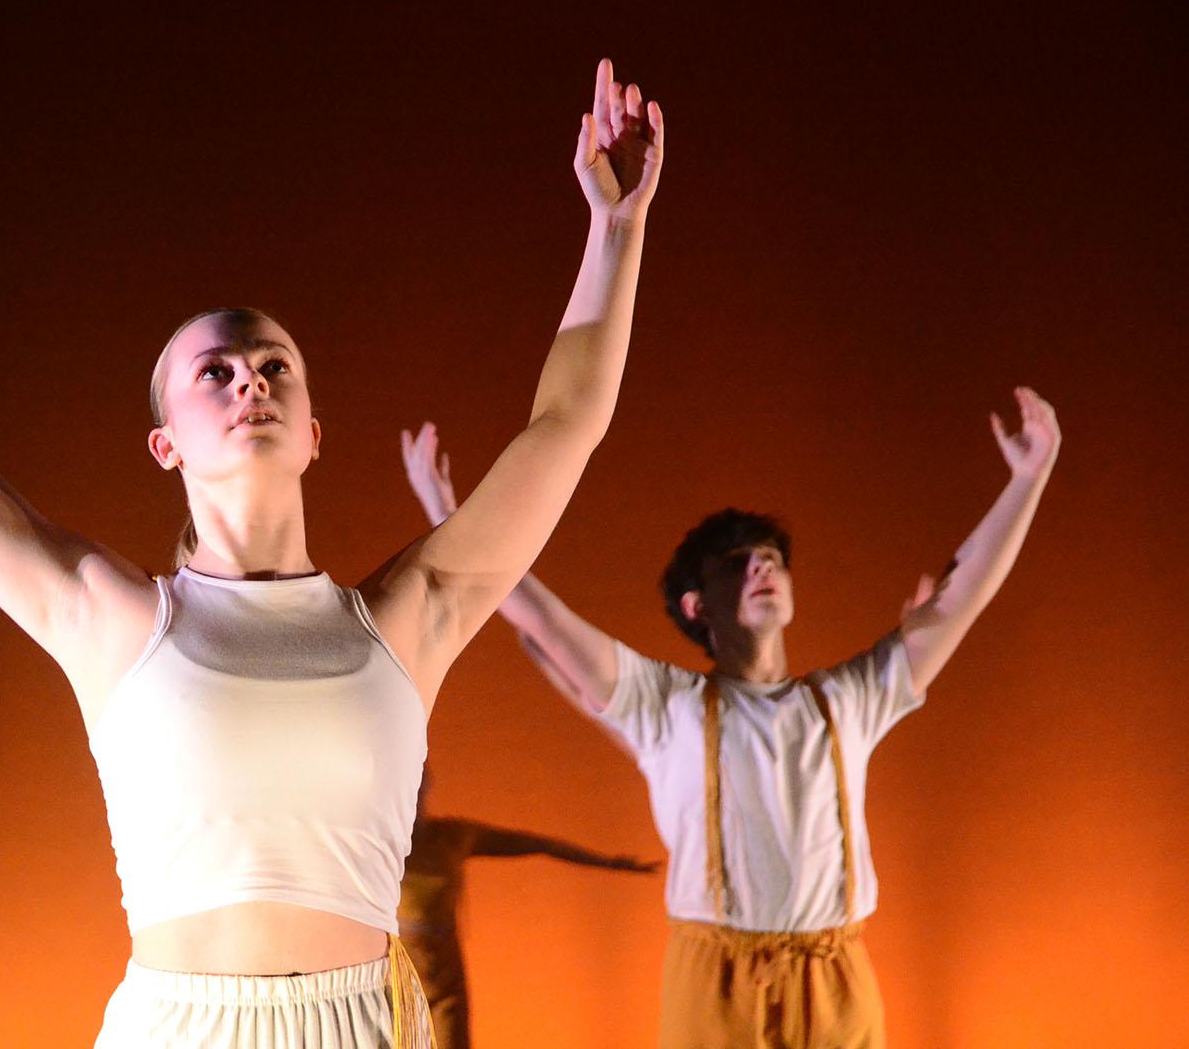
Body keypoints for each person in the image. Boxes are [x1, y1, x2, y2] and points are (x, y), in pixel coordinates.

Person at [0, 57, 665, 1048]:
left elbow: (565, 425)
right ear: (165, 442)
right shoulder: (114, 620)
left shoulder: (406, 617)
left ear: (315, 430)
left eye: (276, 367)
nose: (249, 382)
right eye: (214, 371)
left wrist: (616, 231)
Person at [399, 390, 1060, 1049]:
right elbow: (540, 614)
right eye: (737, 562)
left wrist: (1028, 478)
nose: (762, 565)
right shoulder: (668, 706)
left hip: (836, 980)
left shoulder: (851, 699)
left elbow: (960, 599)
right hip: (717, 985)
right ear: (697, 605)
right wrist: (448, 517)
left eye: (771, 556)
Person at [398, 768, 656, 1049]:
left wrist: (607, 862)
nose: (415, 798)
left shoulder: (453, 836)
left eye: (420, 788)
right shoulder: (378, 844)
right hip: (397, 966)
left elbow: (537, 844)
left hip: (445, 966)